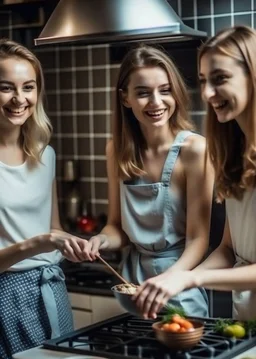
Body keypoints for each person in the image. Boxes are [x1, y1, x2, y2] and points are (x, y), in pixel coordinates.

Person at [133, 25, 256, 321]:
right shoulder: (235, 155)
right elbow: (229, 249)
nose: (207, 93)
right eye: (202, 81)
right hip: (247, 317)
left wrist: (190, 279)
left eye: (220, 79)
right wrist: (175, 282)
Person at [83, 45, 214, 318]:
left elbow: (198, 239)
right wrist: (100, 240)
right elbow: (116, 227)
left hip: (178, 283)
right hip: (131, 286)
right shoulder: (116, 151)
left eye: (165, 90)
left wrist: (168, 281)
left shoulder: (195, 150)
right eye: (143, 93)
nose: (156, 102)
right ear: (125, 98)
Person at [0, 38, 93, 359]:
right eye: (5, 88)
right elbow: (42, 238)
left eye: (28, 87)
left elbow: (53, 228)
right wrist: (41, 242)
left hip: (51, 289)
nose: (19, 99)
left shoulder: (46, 155)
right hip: (4, 296)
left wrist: (76, 243)